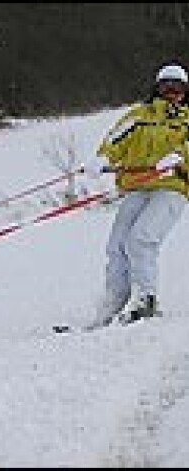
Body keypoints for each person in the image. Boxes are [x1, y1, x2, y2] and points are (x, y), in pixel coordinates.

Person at [83, 61, 189, 328]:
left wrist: (178, 158)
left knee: (141, 239)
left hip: (171, 187)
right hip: (138, 186)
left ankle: (146, 300)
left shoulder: (187, 118)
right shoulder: (140, 115)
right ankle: (112, 305)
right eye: (167, 86)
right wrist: (102, 158)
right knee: (117, 245)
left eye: (178, 87)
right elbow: (117, 138)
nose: (172, 92)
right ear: (157, 88)